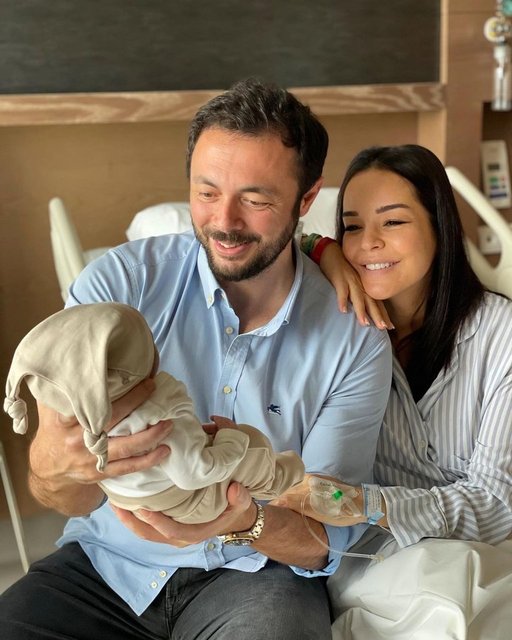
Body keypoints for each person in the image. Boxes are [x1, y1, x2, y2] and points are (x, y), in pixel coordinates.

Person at [0, 79, 391, 640]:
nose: (225, 221)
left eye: (256, 200)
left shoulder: (353, 339)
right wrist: (57, 467)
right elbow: (58, 491)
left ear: (307, 200)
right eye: (207, 192)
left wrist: (245, 521)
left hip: (255, 576)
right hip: (106, 565)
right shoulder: (117, 288)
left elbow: (324, 540)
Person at [276, 144, 512, 638]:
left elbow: (496, 505)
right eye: (352, 227)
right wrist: (323, 251)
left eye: (393, 222)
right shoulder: (339, 331)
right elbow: (260, 242)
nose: (368, 244)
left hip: (490, 555)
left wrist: (365, 503)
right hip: (376, 561)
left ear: (440, 227)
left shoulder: (500, 334)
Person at [4, 302, 305, 524]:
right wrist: (232, 439)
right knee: (251, 446)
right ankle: (286, 475)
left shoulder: (76, 400)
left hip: (134, 502)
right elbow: (194, 473)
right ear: (150, 359)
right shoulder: (161, 408)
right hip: (188, 503)